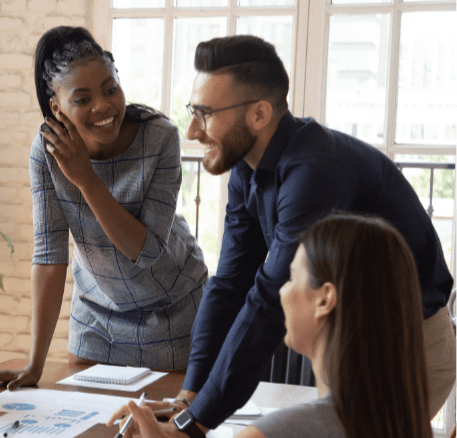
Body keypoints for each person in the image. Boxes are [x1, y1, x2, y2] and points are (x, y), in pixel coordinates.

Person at [166, 34, 454, 436]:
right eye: (192, 110)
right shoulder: (248, 169)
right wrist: (188, 400)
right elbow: (230, 285)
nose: (193, 130)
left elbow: (268, 300)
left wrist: (192, 425)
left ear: (259, 114)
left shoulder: (314, 172)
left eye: (205, 112)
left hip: (406, 346)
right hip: (346, 339)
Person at [0, 26, 208, 389]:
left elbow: (144, 250)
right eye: (81, 99)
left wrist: (85, 178)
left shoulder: (160, 137)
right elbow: (50, 256)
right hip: (97, 317)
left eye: (110, 89)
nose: (103, 106)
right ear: (56, 107)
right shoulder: (45, 151)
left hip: (173, 312)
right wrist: (34, 366)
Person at [110, 213, 433, 438]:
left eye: (292, 278)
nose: (282, 291)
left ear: (325, 299)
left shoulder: (275, 433)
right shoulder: (403, 420)